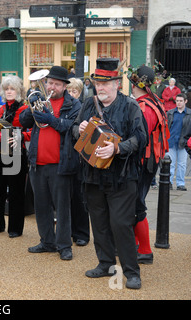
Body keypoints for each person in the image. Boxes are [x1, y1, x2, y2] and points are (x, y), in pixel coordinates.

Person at [72, 58, 148, 289]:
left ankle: (132, 272)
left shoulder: (131, 106)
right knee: (99, 222)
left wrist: (117, 147)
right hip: (93, 175)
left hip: (122, 177)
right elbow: (74, 129)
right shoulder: (87, 104)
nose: (101, 87)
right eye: (97, 83)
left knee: (120, 224)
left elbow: (141, 138)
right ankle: (105, 264)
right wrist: (79, 129)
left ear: (117, 83)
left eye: (106, 83)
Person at [19, 66, 81, 261]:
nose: (52, 87)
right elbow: (23, 121)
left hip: (60, 164)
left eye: (57, 84)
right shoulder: (40, 99)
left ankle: (64, 245)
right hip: (38, 162)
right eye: (50, 83)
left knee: (62, 207)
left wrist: (50, 118)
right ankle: (47, 241)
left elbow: (71, 128)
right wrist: (31, 108)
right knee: (42, 205)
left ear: (64, 86)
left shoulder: (73, 105)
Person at [128, 65, 170, 264]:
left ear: (137, 85)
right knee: (136, 202)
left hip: (143, 161)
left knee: (137, 204)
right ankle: (136, 244)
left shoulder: (143, 107)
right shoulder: (154, 101)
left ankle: (144, 250)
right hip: (150, 160)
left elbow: (139, 137)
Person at [0, 75, 30, 238]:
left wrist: (21, 136)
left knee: (16, 192)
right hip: (2, 152)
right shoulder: (2, 108)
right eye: (7, 89)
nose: (9, 91)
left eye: (12, 88)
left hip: (18, 153)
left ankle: (15, 228)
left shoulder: (25, 109)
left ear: (18, 90)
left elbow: (32, 132)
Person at [66, 77, 90, 246]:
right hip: (66, 155)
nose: (71, 94)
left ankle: (81, 233)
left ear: (80, 93)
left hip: (79, 157)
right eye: (69, 91)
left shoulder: (82, 108)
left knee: (79, 196)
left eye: (74, 91)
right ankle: (70, 230)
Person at [166, 93, 191, 191]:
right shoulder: (170, 113)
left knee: (182, 164)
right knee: (170, 164)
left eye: (181, 101)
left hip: (183, 142)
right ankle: (169, 182)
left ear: (185, 101)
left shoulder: (189, 114)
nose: (178, 103)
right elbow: (166, 128)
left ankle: (180, 184)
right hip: (171, 141)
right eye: (177, 101)